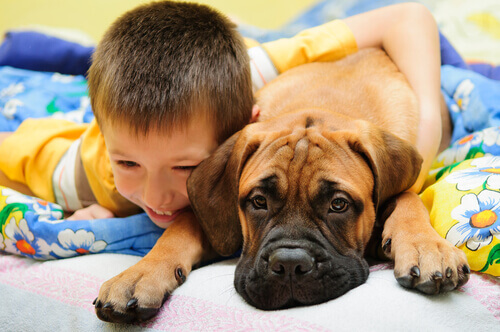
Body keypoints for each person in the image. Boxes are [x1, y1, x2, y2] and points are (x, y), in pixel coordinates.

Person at [0, 1, 441, 228]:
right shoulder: (84, 173)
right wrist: (81, 208)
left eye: (188, 166)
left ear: (249, 125)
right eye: (129, 163)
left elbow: (408, 15)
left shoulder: (253, 75)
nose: (156, 197)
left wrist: (425, 127)